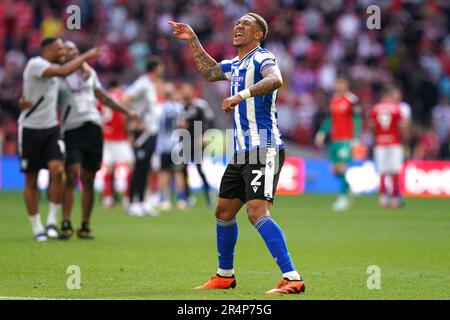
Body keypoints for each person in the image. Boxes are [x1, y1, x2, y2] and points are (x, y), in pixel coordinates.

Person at [169, 13, 305, 295]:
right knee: (224, 210)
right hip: (242, 150)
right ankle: (224, 275)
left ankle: (292, 277)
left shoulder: (262, 57)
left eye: (246, 24)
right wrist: (192, 39)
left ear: (258, 34)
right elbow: (209, 72)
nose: (238, 26)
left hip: (263, 145)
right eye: (237, 23)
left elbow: (276, 79)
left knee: (256, 213)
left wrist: (239, 96)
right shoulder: (235, 64)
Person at [19, 37, 100, 242]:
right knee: (31, 179)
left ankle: (53, 221)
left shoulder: (57, 68)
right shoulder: (36, 64)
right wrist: (86, 56)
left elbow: (75, 75)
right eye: (60, 47)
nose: (63, 50)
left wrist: (84, 67)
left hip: (52, 129)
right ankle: (37, 226)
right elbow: (62, 72)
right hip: (30, 129)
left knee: (58, 171)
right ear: (49, 50)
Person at [59, 41, 138, 239]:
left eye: (76, 50)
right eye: (69, 51)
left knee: (88, 178)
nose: (73, 53)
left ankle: (85, 225)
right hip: (71, 128)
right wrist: (85, 57)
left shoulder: (89, 73)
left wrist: (127, 112)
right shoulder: (58, 75)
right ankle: (66, 221)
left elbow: (104, 98)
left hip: (93, 128)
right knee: (70, 174)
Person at [122, 56, 163, 217]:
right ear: (155, 68)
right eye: (161, 67)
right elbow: (125, 99)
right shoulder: (142, 83)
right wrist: (135, 120)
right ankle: (132, 202)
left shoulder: (150, 84)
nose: (163, 69)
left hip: (151, 131)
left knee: (146, 168)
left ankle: (143, 201)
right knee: (139, 167)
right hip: (142, 133)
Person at [314, 76, 361, 211]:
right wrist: (322, 132)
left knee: (341, 167)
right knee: (334, 170)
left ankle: (343, 198)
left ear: (346, 84)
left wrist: (355, 137)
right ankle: (350, 190)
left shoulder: (352, 100)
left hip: (346, 139)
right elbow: (330, 118)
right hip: (334, 139)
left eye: (340, 82)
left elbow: (357, 119)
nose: (338, 85)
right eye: (337, 82)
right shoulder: (334, 100)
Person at [370, 87, 408, 208]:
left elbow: (371, 126)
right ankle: (395, 198)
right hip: (394, 143)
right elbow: (403, 126)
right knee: (394, 172)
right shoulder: (396, 108)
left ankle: (383, 198)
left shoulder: (375, 109)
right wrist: (405, 143)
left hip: (380, 143)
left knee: (382, 171)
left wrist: (377, 136)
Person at [100, 77, 134, 208]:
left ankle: (107, 197)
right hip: (119, 137)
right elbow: (124, 116)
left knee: (108, 168)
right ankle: (127, 197)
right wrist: (128, 132)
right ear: (119, 85)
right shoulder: (121, 97)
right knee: (130, 165)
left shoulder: (103, 97)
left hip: (106, 136)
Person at [180, 83, 215, 206]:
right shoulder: (181, 107)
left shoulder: (200, 105)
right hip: (185, 141)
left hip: (198, 140)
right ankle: (187, 197)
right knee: (183, 169)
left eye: (188, 90)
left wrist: (204, 135)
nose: (186, 93)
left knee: (199, 169)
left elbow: (209, 121)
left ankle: (208, 195)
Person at [154, 82, 187, 211]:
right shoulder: (179, 108)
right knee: (178, 173)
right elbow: (183, 125)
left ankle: (164, 200)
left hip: (163, 145)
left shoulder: (159, 108)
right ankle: (181, 200)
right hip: (177, 144)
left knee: (164, 172)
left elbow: (156, 126)